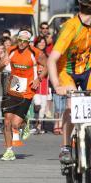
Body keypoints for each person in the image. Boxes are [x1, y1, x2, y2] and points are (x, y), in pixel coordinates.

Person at [47, 0, 91, 164]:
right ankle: (66, 147)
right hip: (67, 71)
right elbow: (52, 60)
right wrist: (57, 85)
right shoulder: (71, 27)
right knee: (71, 106)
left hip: (87, 70)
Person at [0, 29, 47, 161]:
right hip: (13, 88)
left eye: (25, 41)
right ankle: (8, 151)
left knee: (15, 124)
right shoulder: (11, 50)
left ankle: (24, 123)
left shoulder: (35, 53)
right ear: (17, 39)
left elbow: (47, 66)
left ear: (29, 42)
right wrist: (1, 65)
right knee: (7, 121)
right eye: (20, 40)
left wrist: (38, 79)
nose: (22, 43)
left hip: (27, 90)